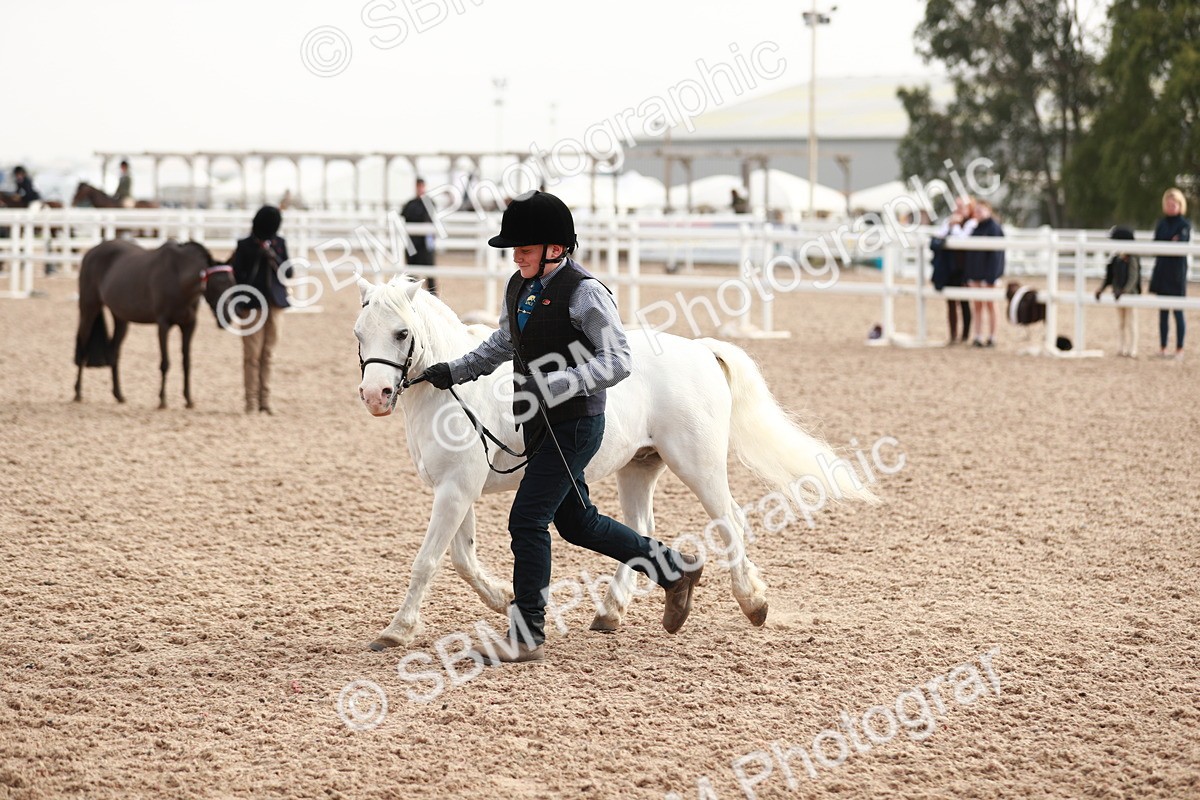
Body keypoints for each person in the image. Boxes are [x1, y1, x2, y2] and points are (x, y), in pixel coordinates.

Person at [419, 190, 702, 664]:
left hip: (575, 425)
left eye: (525, 249)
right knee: (576, 522)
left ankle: (527, 632)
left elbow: (618, 360)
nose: (517, 257)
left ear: (556, 248)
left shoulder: (585, 292)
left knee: (526, 519)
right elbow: (501, 345)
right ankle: (674, 569)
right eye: (515, 250)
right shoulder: (519, 285)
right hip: (536, 423)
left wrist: (559, 382)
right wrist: (455, 370)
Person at [231, 206, 291, 414]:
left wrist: (273, 255)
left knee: (268, 354)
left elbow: (288, 271)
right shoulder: (245, 245)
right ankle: (250, 401)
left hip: (275, 304)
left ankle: (265, 401)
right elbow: (237, 275)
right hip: (252, 305)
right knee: (251, 355)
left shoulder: (279, 244)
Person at [1148, 188, 1191, 359]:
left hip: (1176, 274)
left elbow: (1181, 243)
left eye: (1174, 203)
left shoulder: (1185, 225)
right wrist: (1170, 240)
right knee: (1163, 312)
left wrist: (1169, 241)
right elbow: (1157, 244)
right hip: (1162, 272)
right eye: (1168, 203)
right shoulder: (1161, 223)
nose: (1171, 206)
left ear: (1180, 205)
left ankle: (1179, 348)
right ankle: (1163, 347)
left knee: (1178, 312)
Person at [931, 196, 976, 345]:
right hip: (949, 268)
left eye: (962, 206)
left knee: (964, 302)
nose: (958, 209)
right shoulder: (948, 222)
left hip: (964, 269)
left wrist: (954, 226)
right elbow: (939, 236)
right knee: (950, 303)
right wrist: (951, 225)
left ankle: (965, 336)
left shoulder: (971, 223)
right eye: (957, 206)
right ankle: (953, 335)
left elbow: (962, 240)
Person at [1096, 226, 1141, 358]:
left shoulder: (1132, 258)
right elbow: (1109, 276)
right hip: (1117, 294)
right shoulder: (1116, 258)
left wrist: (1125, 290)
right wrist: (1101, 289)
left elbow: (1133, 277)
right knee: (1120, 322)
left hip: (1130, 294)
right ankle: (1121, 347)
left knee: (1131, 321)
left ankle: (1133, 348)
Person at [965, 200, 1005, 347]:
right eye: (976, 210)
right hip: (976, 274)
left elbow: (997, 255)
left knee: (991, 305)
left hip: (989, 275)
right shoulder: (975, 228)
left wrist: (992, 276)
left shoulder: (994, 228)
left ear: (988, 210)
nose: (978, 213)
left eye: (981, 210)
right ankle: (978, 336)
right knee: (977, 305)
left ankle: (992, 336)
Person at [401, 178, 437, 295]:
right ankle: (411, 296)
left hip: (426, 243)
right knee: (411, 273)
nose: (419, 189)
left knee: (430, 273)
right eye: (418, 186)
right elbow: (403, 219)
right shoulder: (410, 204)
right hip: (412, 243)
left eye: (421, 186)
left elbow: (431, 220)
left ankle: (433, 297)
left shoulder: (429, 203)